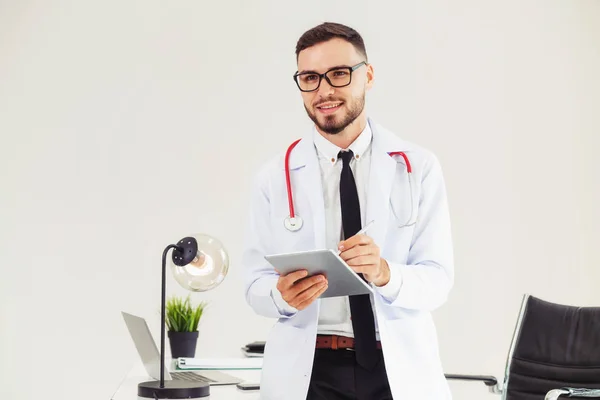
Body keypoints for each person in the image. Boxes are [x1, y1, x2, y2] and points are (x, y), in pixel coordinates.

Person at [241, 21, 454, 400]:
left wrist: (386, 273)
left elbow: (438, 280)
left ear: (368, 76)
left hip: (397, 369)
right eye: (310, 77)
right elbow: (254, 282)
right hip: (311, 373)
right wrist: (280, 295)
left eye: (339, 74)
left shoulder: (417, 167)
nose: (324, 91)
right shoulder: (274, 177)